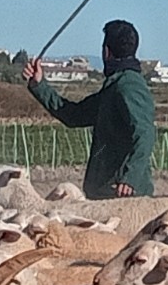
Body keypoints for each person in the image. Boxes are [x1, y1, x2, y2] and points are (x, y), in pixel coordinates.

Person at [23, 20, 155, 199]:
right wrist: (39, 85)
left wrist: (130, 178)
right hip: (107, 191)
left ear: (106, 51)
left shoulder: (129, 85)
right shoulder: (113, 87)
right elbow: (74, 116)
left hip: (123, 194)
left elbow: (145, 133)